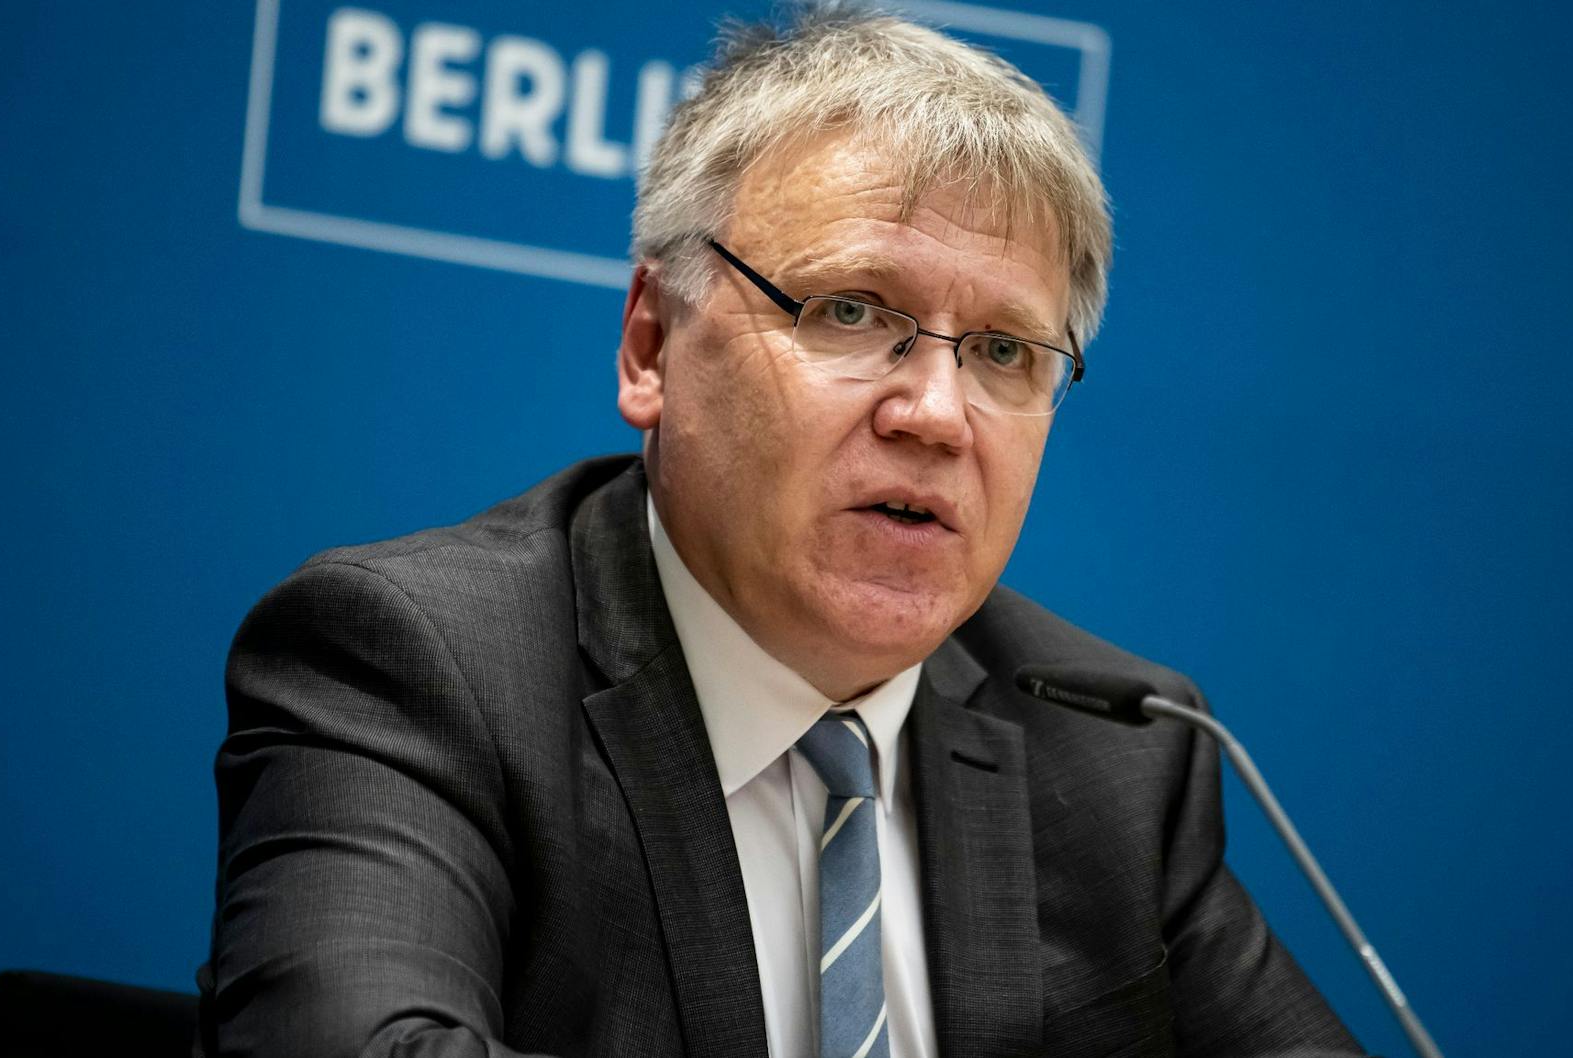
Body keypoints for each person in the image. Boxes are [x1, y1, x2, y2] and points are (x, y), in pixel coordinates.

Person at [198, 6, 1364, 1056]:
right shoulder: (420, 662)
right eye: (849, 310)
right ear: (651, 345)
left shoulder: (1114, 747)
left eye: (1004, 351)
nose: (935, 414)